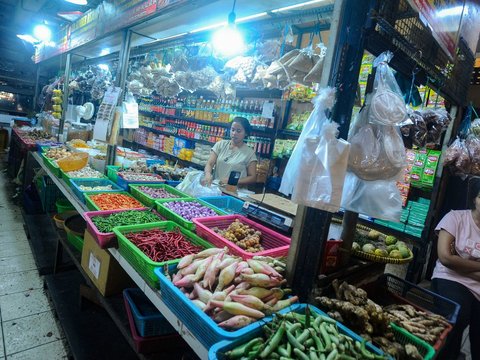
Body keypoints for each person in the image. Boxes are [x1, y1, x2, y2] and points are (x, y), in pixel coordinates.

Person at [431, 181, 480, 360]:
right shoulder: (456, 218)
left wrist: (458, 263)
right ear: (475, 199)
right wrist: (453, 262)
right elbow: (445, 257)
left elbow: (452, 260)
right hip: (449, 278)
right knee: (458, 316)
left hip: (472, 283)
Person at [203, 117, 257, 187]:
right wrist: (207, 174)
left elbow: (252, 178)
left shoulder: (250, 153)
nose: (234, 133)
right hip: (216, 188)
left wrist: (233, 181)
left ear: (246, 133)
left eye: (238, 131)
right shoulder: (220, 145)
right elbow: (210, 163)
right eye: (233, 130)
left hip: (235, 192)